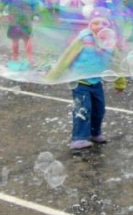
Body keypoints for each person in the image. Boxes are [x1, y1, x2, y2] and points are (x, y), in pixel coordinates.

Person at [49, 10, 115, 149]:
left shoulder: (109, 41)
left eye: (104, 23)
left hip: (96, 82)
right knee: (83, 109)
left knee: (99, 109)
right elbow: (67, 56)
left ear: (109, 26)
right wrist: (53, 76)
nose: (100, 26)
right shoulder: (83, 39)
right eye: (96, 23)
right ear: (89, 24)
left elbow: (116, 62)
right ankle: (79, 138)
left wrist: (120, 81)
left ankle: (95, 133)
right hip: (80, 81)